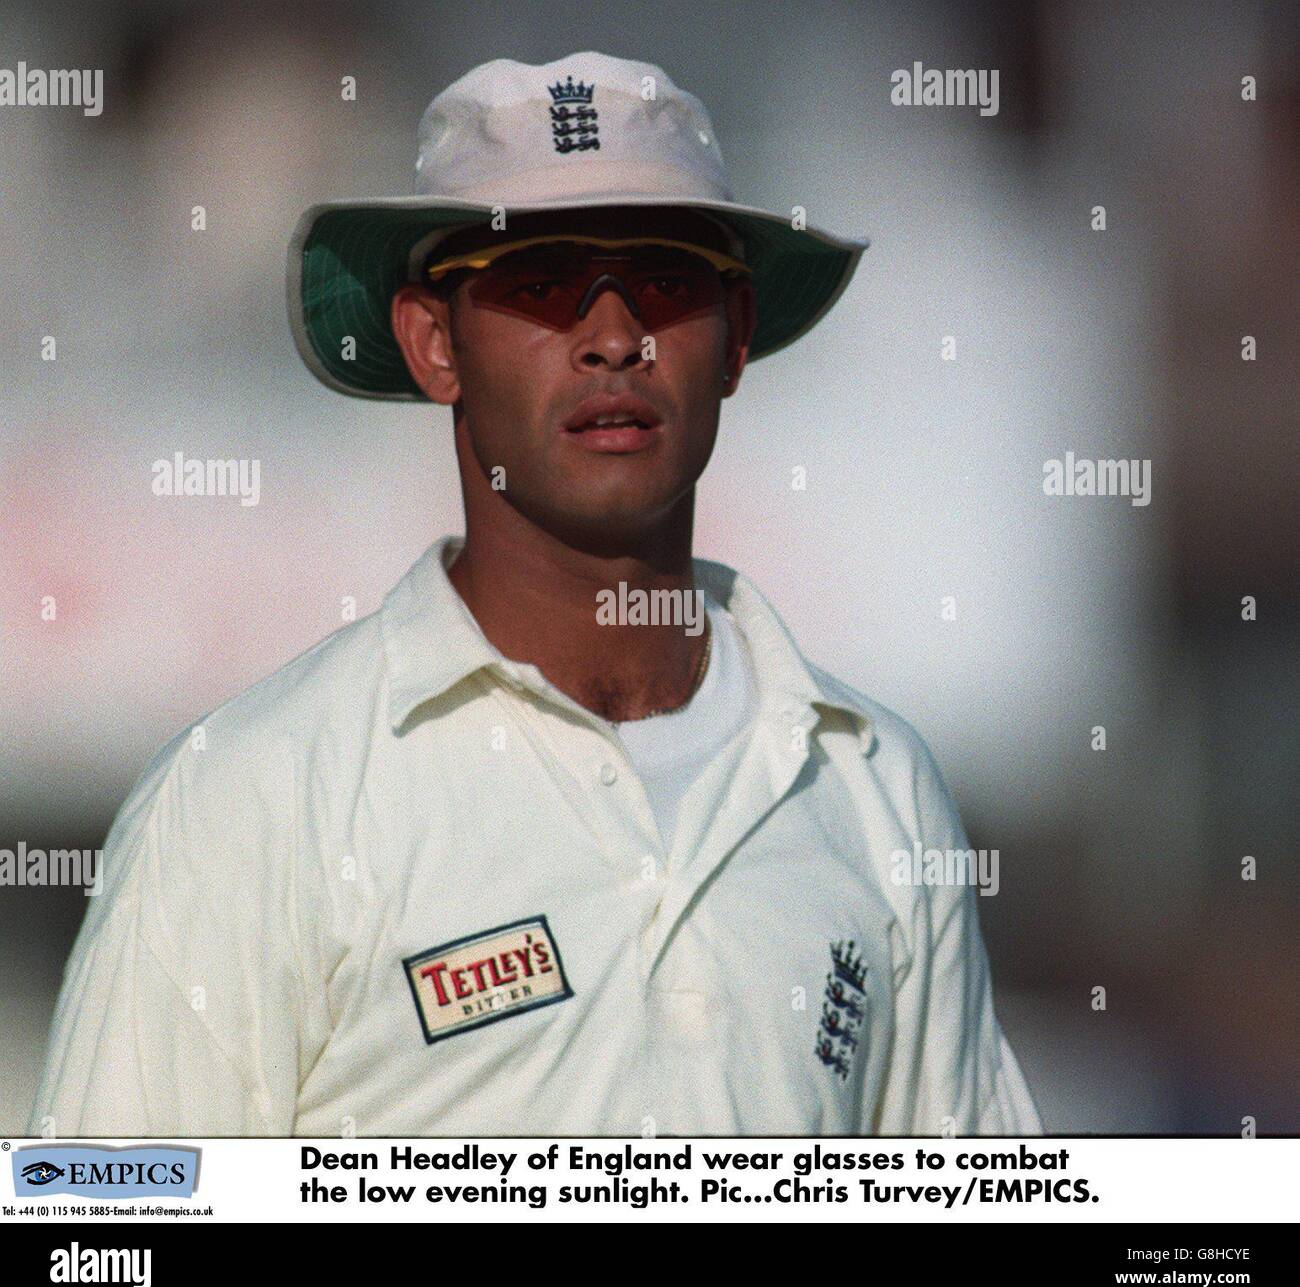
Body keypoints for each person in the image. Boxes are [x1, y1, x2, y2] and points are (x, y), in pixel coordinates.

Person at [31, 51, 1040, 1136]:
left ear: (736, 332)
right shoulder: (251, 799)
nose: (614, 338)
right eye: (542, 283)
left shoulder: (873, 784)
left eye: (664, 279)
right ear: (433, 341)